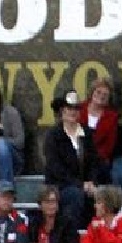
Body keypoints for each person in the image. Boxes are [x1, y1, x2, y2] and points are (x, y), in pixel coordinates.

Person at [42, 90, 101, 231]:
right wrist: (81, 184)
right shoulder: (53, 136)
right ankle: (73, 237)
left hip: (84, 186)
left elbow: (94, 162)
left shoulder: (86, 133)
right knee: (75, 195)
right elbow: (55, 168)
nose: (73, 112)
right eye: (69, 108)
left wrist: (92, 182)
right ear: (62, 111)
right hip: (60, 186)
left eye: (76, 108)